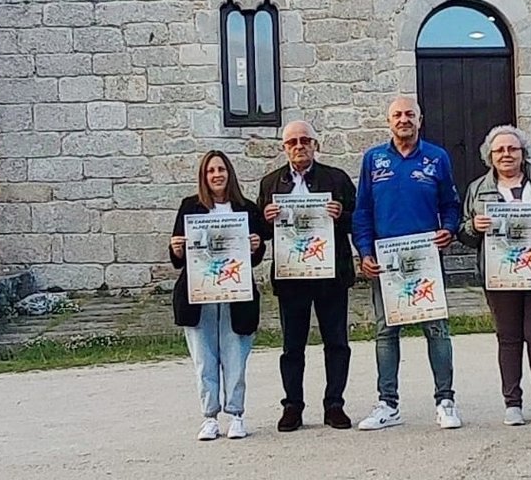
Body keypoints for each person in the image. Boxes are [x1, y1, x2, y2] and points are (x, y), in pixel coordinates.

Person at [352, 96, 463, 431]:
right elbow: (362, 212)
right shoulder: (373, 160)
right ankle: (388, 403)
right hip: (385, 264)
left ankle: (445, 400)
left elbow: (451, 204)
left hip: (425, 259)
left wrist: (449, 229)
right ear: (389, 121)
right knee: (386, 332)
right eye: (398, 115)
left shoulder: (436, 157)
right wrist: (364, 252)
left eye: (410, 114)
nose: (404, 120)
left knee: (437, 330)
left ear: (420, 119)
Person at [458, 125, 531, 426]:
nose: (506, 155)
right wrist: (474, 227)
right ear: (490, 156)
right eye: (499, 150)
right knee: (508, 337)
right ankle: (512, 403)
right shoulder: (477, 189)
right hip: (499, 272)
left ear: (523, 153)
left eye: (512, 149)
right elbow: (465, 234)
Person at [257, 120, 358, 432]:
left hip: (330, 275)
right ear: (284, 148)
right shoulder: (271, 182)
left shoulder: (337, 178)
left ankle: (334, 404)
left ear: (316, 144)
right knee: (292, 346)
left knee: (337, 342)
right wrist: (265, 220)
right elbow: (260, 233)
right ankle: (292, 406)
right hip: (291, 277)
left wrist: (341, 215)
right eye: (292, 142)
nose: (299, 146)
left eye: (305, 140)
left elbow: (360, 219)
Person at [169, 150, 269, 441]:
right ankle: (210, 417)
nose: (216, 175)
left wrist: (256, 245)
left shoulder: (246, 209)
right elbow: (178, 255)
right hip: (199, 295)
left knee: (235, 357)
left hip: (236, 293)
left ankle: (236, 414)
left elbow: (258, 253)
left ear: (229, 174)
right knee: (204, 359)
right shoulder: (190, 207)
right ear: (204, 176)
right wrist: (175, 249)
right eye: (211, 171)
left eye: (221, 169)